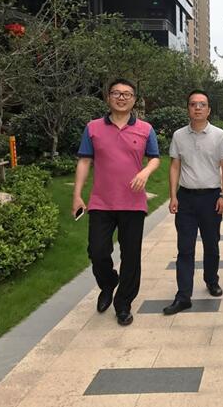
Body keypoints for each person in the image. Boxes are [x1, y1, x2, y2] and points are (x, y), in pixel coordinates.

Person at [73, 79, 160, 326]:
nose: (121, 98)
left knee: (131, 256)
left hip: (133, 204)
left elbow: (155, 158)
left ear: (134, 100)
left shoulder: (145, 129)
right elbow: (84, 161)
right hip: (101, 202)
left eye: (127, 94)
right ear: (108, 97)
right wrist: (77, 195)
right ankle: (108, 283)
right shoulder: (93, 128)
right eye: (116, 93)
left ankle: (123, 304)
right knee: (97, 251)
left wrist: (145, 172)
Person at [163, 90, 223, 315]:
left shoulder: (219, 135)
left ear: (209, 110)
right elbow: (174, 166)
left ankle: (211, 280)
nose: (198, 108)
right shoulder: (179, 136)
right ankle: (183, 296)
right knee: (185, 248)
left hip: (211, 198)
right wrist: (173, 196)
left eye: (202, 104)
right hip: (186, 198)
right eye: (193, 104)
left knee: (211, 244)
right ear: (188, 109)